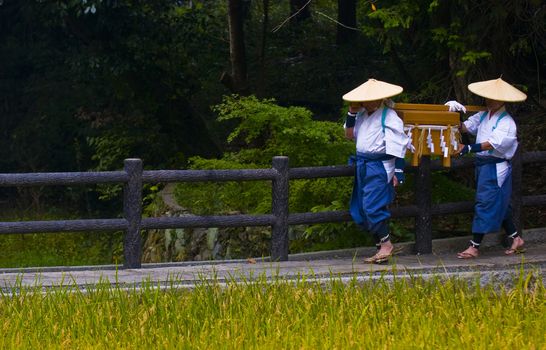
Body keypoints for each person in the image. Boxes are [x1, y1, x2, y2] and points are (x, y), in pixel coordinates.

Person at [445, 77, 527, 259]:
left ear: (503, 99)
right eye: (488, 97)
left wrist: (467, 148)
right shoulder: (483, 115)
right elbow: (465, 128)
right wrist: (455, 113)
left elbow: (492, 144)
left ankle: (474, 246)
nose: (490, 101)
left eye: (495, 98)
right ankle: (516, 238)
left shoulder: (507, 122)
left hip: (496, 167)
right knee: (498, 204)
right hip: (483, 166)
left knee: (484, 203)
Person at [343, 79, 409, 263]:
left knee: (373, 205)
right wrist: (352, 112)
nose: (371, 102)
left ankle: (387, 245)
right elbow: (349, 135)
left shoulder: (389, 116)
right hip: (363, 165)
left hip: (379, 166)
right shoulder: (363, 115)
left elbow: (398, 143)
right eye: (367, 99)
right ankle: (380, 247)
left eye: (375, 98)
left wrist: (399, 170)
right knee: (362, 207)